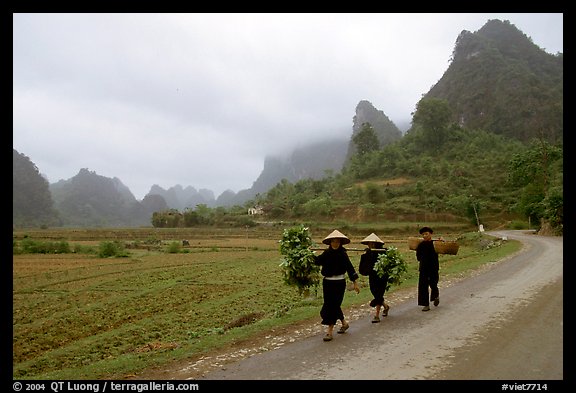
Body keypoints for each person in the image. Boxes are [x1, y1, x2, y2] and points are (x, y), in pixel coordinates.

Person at [314, 229, 360, 341]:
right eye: (333, 241)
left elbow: (350, 268)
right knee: (331, 304)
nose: (335, 244)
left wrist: (355, 283)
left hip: (339, 283)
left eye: (337, 242)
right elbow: (317, 261)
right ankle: (344, 323)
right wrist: (306, 254)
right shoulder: (326, 254)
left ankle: (329, 331)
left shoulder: (343, 255)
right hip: (327, 282)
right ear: (330, 243)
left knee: (333, 305)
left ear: (340, 243)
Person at [359, 233, 390, 323]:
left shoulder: (384, 252)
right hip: (372, 276)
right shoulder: (367, 254)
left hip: (382, 276)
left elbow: (388, 264)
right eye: (369, 243)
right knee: (375, 292)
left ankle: (376, 315)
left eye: (373, 243)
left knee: (379, 293)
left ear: (377, 244)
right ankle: (386, 306)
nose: (371, 245)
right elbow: (363, 269)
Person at [416, 226, 440, 311]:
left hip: (433, 267)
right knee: (423, 286)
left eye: (426, 234)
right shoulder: (421, 245)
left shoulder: (436, 244)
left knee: (433, 284)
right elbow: (418, 257)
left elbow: (443, 248)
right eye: (423, 234)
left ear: (431, 234)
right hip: (423, 268)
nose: (424, 236)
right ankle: (425, 304)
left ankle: (436, 296)